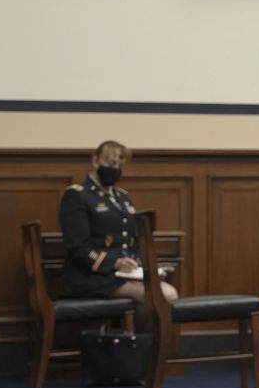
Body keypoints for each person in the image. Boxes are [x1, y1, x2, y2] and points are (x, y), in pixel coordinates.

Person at [59, 141, 177, 330]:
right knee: (165, 295)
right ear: (95, 161)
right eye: (111, 164)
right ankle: (147, 353)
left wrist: (142, 263)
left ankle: (139, 352)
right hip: (90, 277)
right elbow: (77, 247)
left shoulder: (121, 197)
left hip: (120, 275)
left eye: (120, 166)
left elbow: (131, 241)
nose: (115, 169)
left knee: (155, 295)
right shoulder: (78, 196)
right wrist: (114, 263)